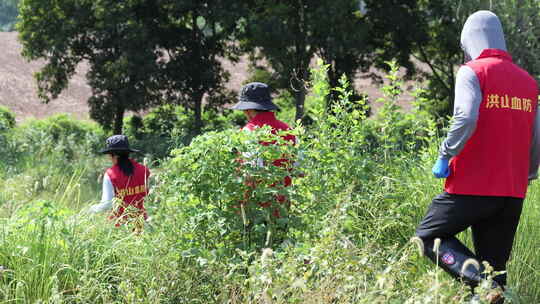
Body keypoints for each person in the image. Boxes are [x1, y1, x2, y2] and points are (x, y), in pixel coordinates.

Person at [413, 10, 540, 303]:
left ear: (470, 39)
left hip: (472, 185)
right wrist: (529, 173)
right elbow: (537, 136)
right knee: (494, 268)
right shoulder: (528, 83)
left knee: (427, 236)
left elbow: (466, 116)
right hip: (512, 191)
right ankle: (489, 286)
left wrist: (446, 154)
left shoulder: (473, 71)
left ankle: (482, 284)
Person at [232, 82, 296, 217]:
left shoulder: (248, 132)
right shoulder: (289, 130)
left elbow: (249, 175)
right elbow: (299, 171)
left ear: (248, 111)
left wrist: (240, 209)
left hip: (258, 210)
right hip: (283, 208)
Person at [89, 135, 151, 228]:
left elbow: (107, 204)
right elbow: (150, 197)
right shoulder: (144, 170)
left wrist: (92, 209)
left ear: (114, 155)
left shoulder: (110, 174)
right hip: (142, 224)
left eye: (109, 154)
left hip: (120, 228)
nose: (109, 157)